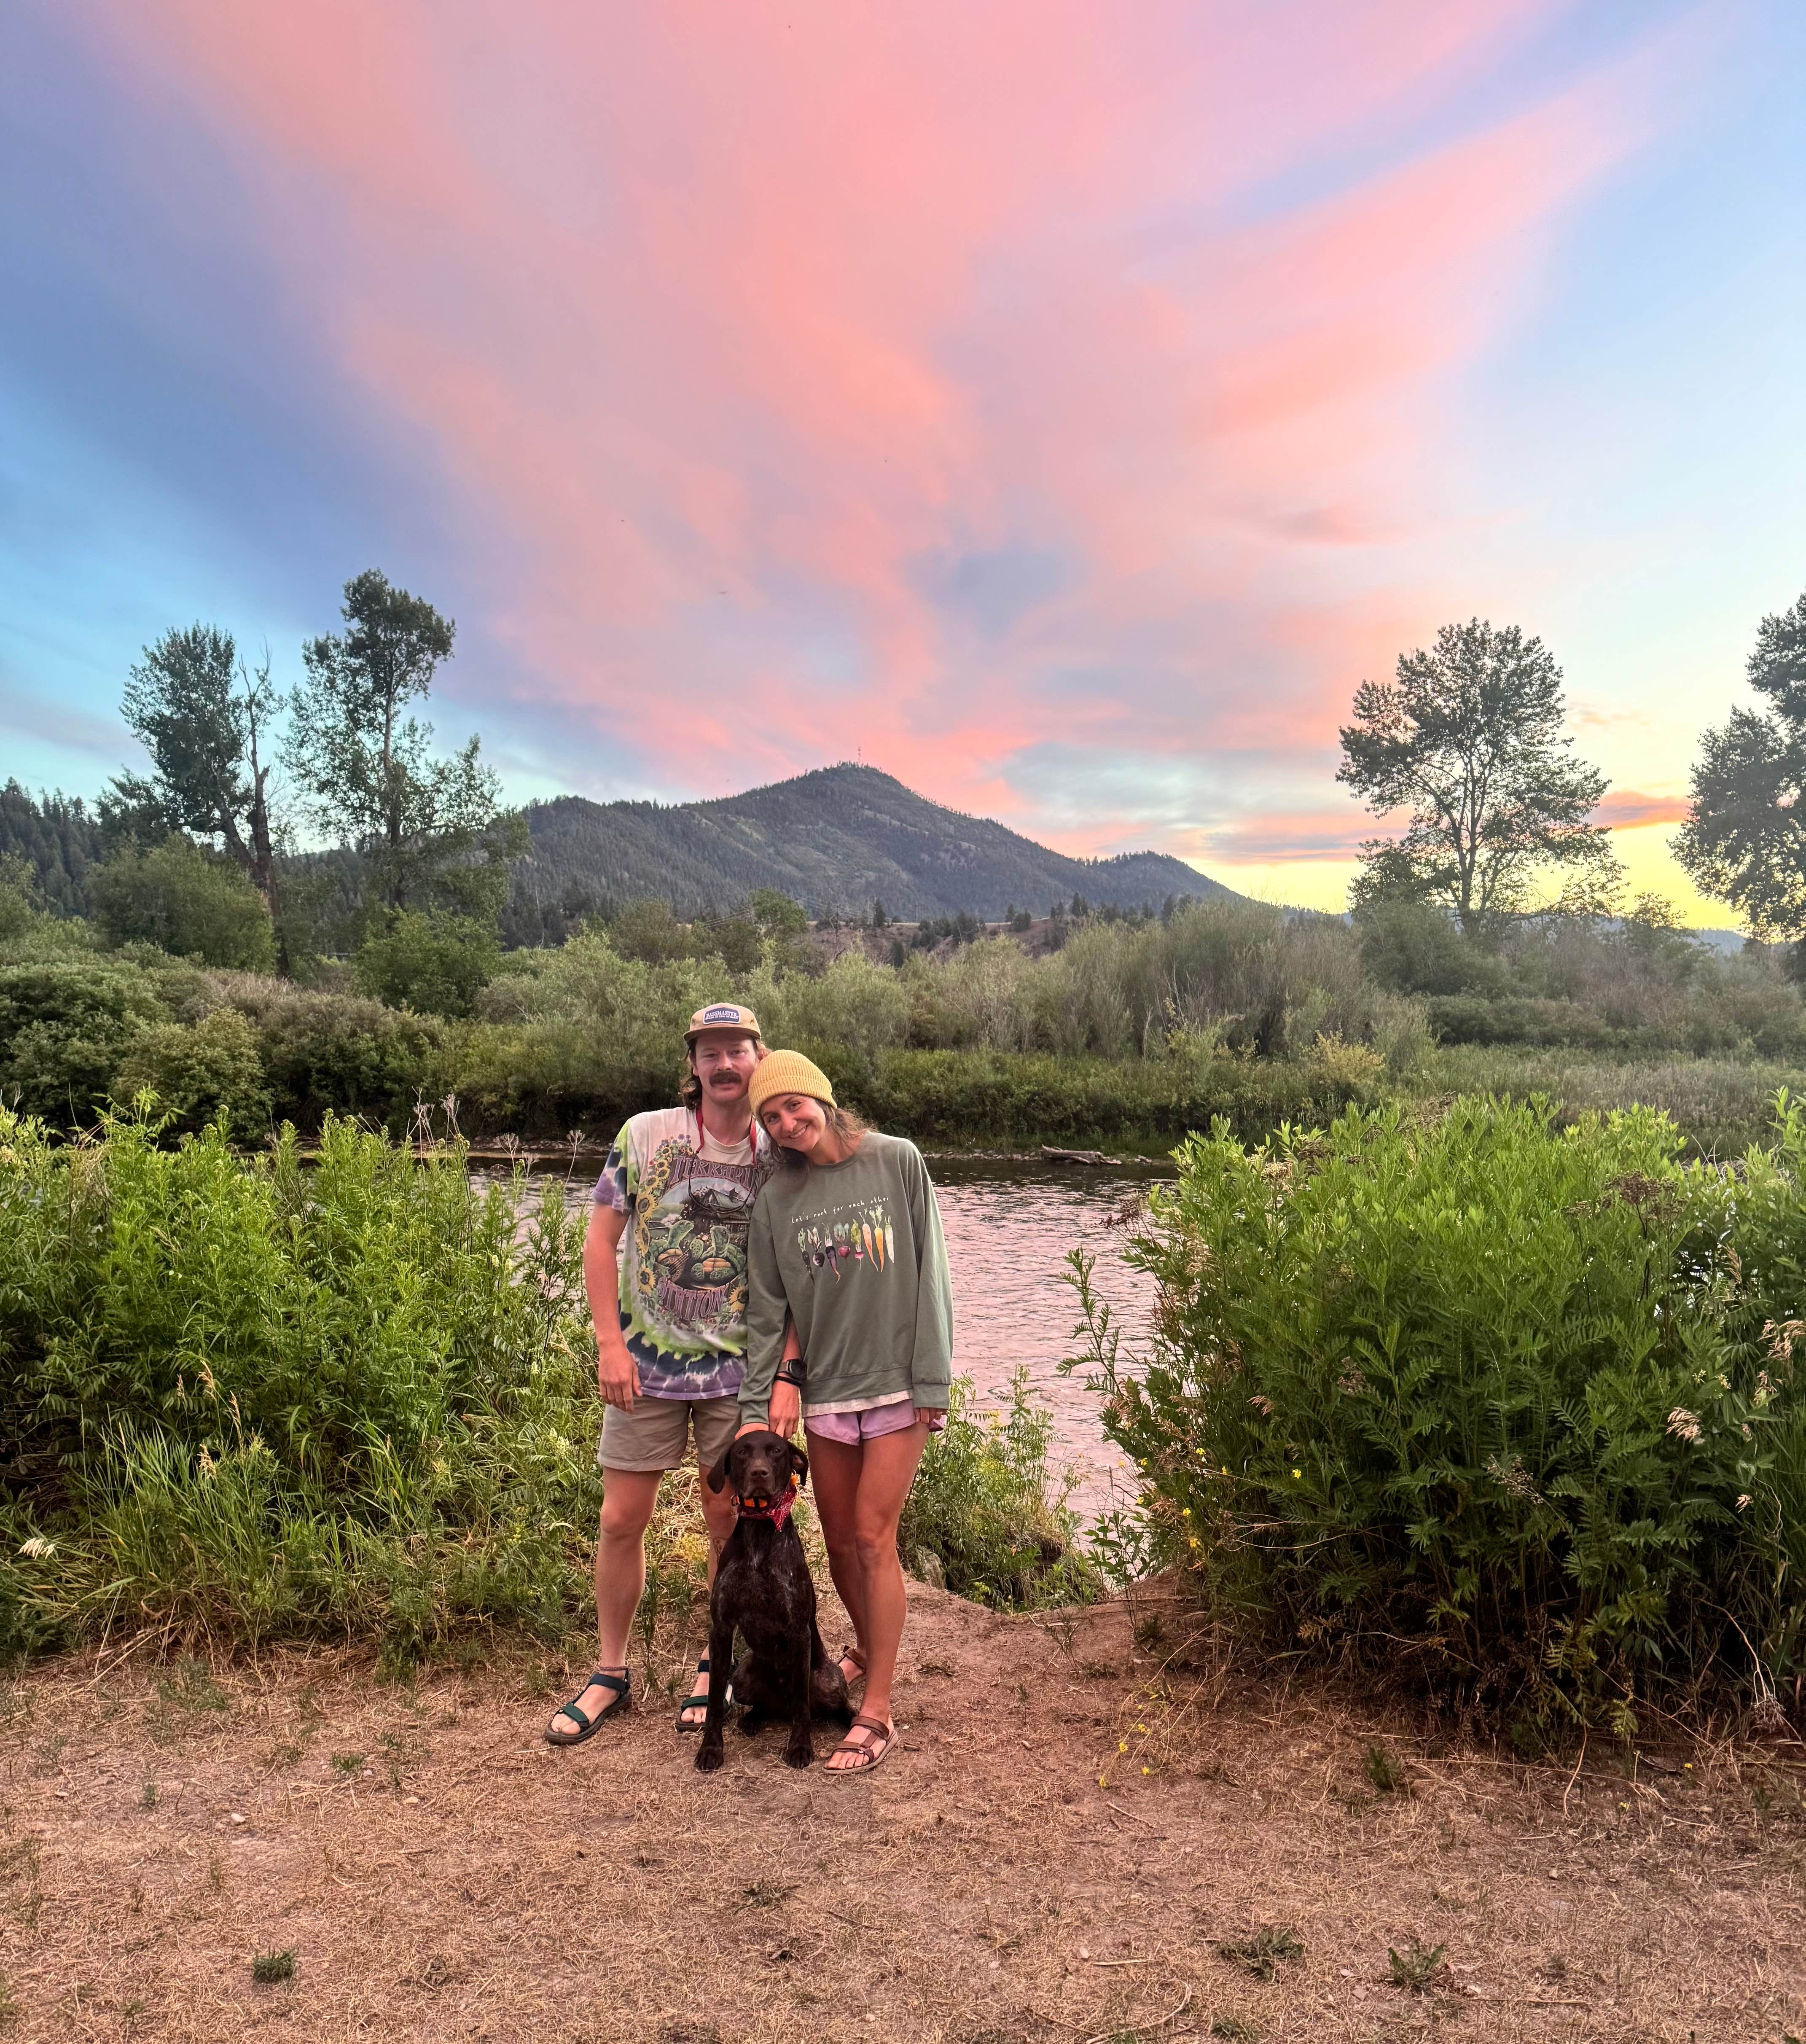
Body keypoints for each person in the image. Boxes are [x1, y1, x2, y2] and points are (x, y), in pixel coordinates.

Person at [544, 1003, 803, 1745]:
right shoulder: (645, 1134)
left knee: (731, 1522)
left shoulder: (780, 1152)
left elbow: (795, 1278)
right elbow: (600, 1242)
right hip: (645, 1368)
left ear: (761, 1058)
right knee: (621, 1519)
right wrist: (608, 1344)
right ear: (693, 1065)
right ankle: (610, 1674)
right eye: (710, 1053)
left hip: (741, 1376)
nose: (726, 1066)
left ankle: (712, 1667)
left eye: (739, 1051)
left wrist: (788, 1374)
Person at [739, 1050, 954, 1774]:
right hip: (827, 1393)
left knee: (871, 1537)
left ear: (823, 1099)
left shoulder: (896, 1161)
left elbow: (932, 1273)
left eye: (794, 1106)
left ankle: (879, 1710)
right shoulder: (777, 1198)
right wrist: (762, 1399)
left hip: (895, 1387)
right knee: (835, 1545)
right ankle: (870, 1649)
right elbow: (771, 1310)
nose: (787, 1123)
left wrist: (933, 1383)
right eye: (771, 1117)